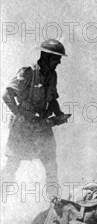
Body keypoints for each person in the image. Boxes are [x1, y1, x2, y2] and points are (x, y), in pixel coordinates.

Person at [2, 39, 70, 198]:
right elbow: (7, 95)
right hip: (23, 128)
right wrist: (20, 115)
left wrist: (59, 114)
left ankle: (54, 202)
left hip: (41, 127)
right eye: (56, 58)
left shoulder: (52, 75)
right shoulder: (28, 72)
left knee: (51, 164)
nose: (59, 62)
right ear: (46, 57)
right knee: (12, 165)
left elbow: (52, 99)